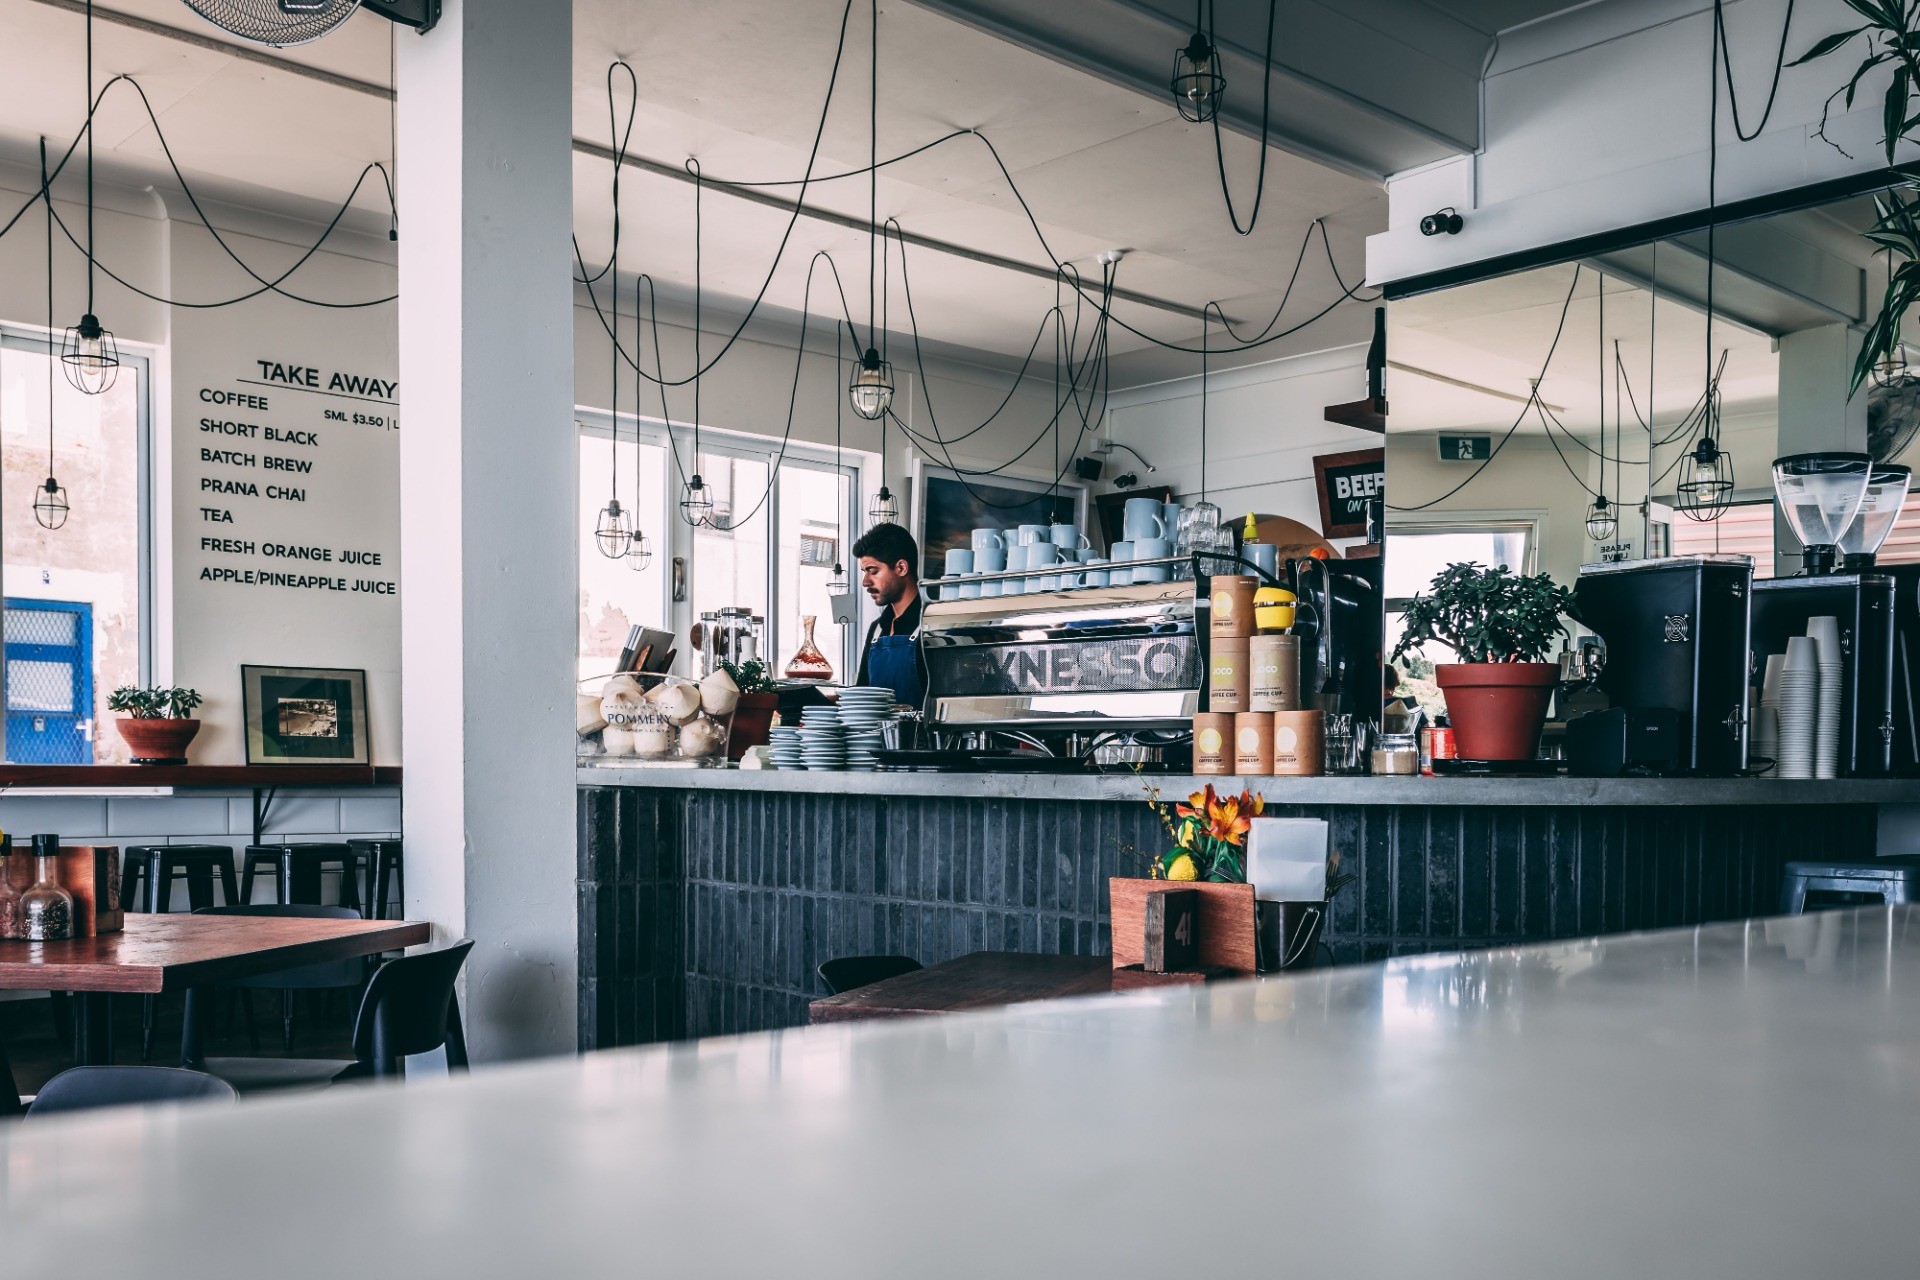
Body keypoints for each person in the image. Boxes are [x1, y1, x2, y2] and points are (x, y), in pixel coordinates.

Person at [852, 523, 925, 707]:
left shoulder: (932, 625)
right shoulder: (876, 629)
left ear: (901, 568)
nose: (865, 582)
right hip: (876, 736)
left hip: (921, 736)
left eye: (873, 571)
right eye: (865, 572)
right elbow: (863, 694)